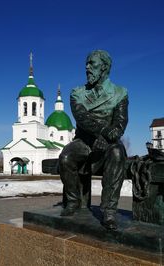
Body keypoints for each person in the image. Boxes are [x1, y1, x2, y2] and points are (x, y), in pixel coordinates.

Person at [59, 50, 128, 230]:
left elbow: (120, 124)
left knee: (117, 153)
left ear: (104, 67)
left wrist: (107, 139)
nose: (87, 67)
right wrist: (102, 133)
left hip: (109, 144)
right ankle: (73, 202)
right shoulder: (77, 93)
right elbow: (82, 118)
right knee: (66, 157)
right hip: (83, 142)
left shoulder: (120, 93)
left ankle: (109, 210)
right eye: (86, 64)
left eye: (92, 64)